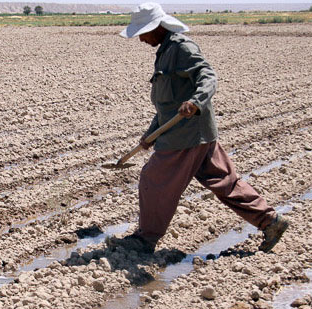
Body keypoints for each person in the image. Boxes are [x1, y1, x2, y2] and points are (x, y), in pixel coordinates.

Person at [113, 2, 289, 254]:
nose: (141, 39)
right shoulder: (165, 51)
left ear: (158, 27)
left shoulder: (182, 48)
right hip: (200, 134)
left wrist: (196, 102)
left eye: (143, 32)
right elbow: (168, 103)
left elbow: (208, 76)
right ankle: (270, 221)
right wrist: (151, 134)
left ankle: (145, 239)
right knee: (225, 182)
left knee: (153, 180)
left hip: (183, 138)